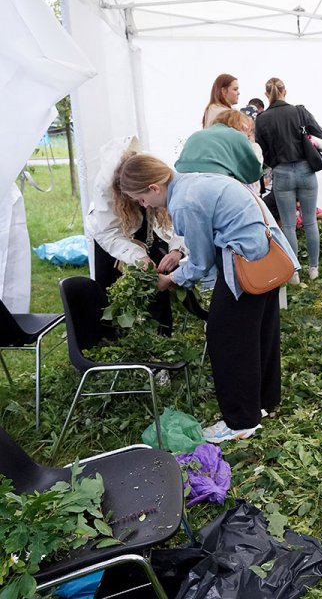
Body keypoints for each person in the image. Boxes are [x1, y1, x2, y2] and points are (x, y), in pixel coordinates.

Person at [113, 154, 299, 443]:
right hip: (265, 256)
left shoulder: (183, 202)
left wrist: (172, 279)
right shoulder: (193, 181)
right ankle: (264, 401)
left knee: (225, 337)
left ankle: (240, 421)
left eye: (140, 198)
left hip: (244, 262)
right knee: (260, 331)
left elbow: (201, 261)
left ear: (153, 188)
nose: (143, 205)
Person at [91, 136, 186, 333]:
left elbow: (179, 216)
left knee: (156, 274)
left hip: (149, 225)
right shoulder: (105, 187)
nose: (141, 204)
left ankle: (160, 333)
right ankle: (111, 336)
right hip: (113, 231)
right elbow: (108, 232)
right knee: (110, 286)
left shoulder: (155, 174)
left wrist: (177, 249)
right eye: (136, 199)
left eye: (142, 199)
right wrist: (138, 256)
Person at [255, 77, 322, 282]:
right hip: (306, 170)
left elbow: (262, 151)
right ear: (285, 91)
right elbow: (321, 135)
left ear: (266, 95)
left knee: (287, 225)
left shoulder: (262, 119)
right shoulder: (300, 111)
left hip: (282, 173)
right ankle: (314, 269)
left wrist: (274, 163)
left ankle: (293, 272)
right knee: (310, 221)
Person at [175, 110, 263, 187]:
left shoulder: (195, 135)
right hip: (216, 183)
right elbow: (253, 173)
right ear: (243, 126)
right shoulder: (236, 136)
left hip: (183, 182)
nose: (248, 134)